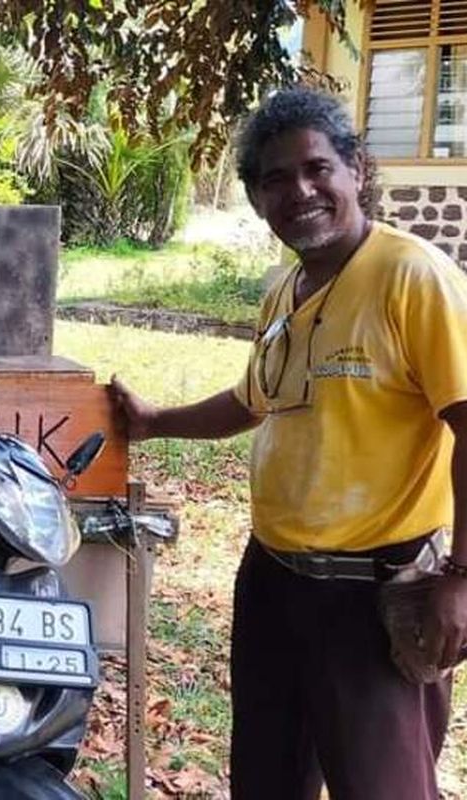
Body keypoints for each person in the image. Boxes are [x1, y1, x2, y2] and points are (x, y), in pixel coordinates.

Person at [111, 87, 467, 799]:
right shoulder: (286, 290)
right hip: (273, 580)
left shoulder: (412, 277)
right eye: (275, 179)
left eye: (316, 168)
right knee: (269, 778)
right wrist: (155, 421)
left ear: (356, 170)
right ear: (255, 197)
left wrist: (461, 577)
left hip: (375, 594)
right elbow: (254, 400)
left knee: (382, 787)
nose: (298, 191)